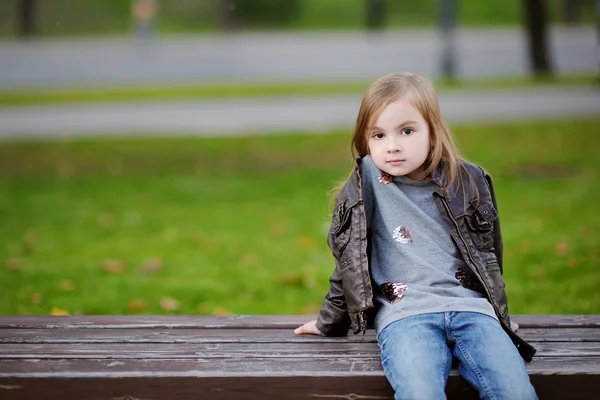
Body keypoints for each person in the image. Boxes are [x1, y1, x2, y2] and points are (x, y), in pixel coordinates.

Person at [294, 72, 538, 400]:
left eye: (407, 131)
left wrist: (500, 315)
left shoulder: (466, 179)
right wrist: (328, 322)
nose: (392, 146)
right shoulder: (365, 181)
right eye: (378, 135)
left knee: (515, 392)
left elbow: (488, 255)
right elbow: (348, 259)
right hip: (405, 317)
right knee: (419, 392)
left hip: (472, 311)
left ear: (432, 133)